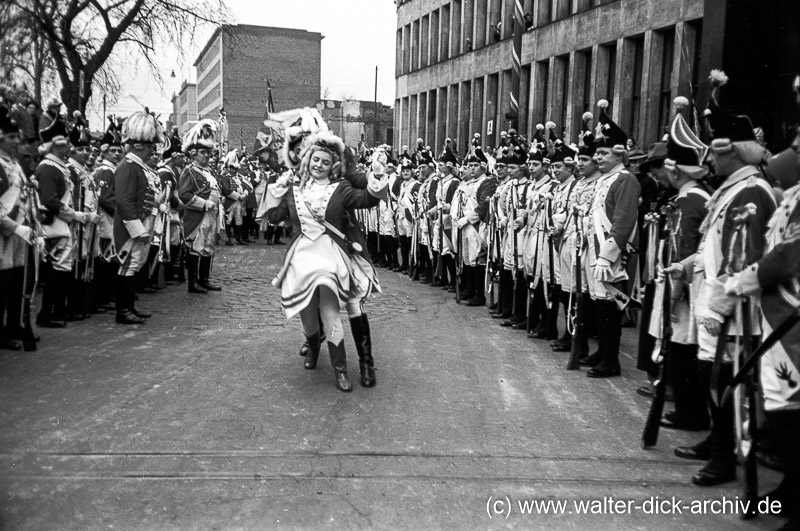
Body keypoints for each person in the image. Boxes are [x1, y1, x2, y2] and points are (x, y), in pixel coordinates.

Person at [671, 70, 776, 486]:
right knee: (714, 375)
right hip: (720, 301)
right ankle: (719, 440)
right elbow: (715, 248)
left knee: (726, 379)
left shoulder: (750, 191)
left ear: (731, 151)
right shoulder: (732, 189)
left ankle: (724, 454)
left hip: (735, 308)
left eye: (714, 152)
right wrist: (688, 264)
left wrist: (720, 303)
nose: (707, 160)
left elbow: (743, 258)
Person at [264, 130, 388, 392]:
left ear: (334, 166)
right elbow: (274, 216)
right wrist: (273, 189)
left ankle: (357, 366)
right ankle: (313, 344)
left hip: (338, 255)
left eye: (325, 161)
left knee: (347, 308)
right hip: (303, 258)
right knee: (307, 314)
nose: (318, 165)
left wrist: (376, 175)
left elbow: (365, 198)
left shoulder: (341, 186)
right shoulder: (294, 190)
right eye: (314, 160)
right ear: (306, 159)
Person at [582, 99, 641, 377]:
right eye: (598, 154)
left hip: (612, 255)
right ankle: (602, 352)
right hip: (594, 252)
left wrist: (607, 255)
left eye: (604, 153)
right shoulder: (605, 179)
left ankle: (611, 359)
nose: (598, 158)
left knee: (610, 306)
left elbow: (623, 222)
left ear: (619, 154)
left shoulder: (625, 179)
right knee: (599, 303)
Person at [112, 111, 164, 324]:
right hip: (131, 228)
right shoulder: (128, 167)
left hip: (144, 223)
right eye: (151, 145)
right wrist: (139, 230)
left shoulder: (139, 167)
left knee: (135, 265)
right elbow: (124, 202)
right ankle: (122, 311)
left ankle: (129, 307)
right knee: (128, 266)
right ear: (139, 145)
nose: (154, 149)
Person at [0, 106, 40, 350]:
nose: (18, 142)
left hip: (19, 231)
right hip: (5, 232)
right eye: (13, 137)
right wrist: (16, 228)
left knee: (16, 283)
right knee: (2, 285)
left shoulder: (14, 164)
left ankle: (14, 326)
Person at [178, 119, 223, 294]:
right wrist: (204, 204)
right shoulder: (189, 171)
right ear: (194, 154)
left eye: (208, 153)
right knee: (196, 247)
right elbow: (184, 195)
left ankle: (204, 279)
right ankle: (193, 282)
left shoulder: (208, 172)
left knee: (208, 246)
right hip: (198, 216)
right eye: (203, 153)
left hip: (212, 215)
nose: (207, 156)